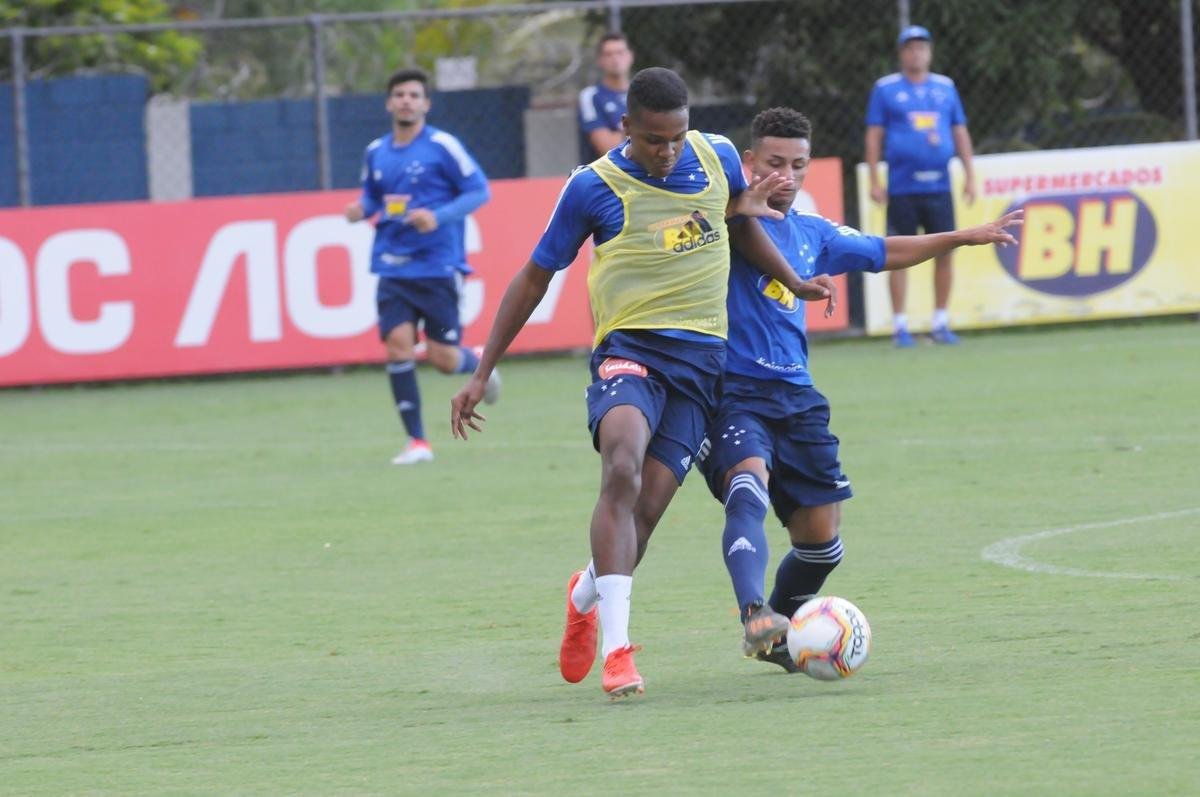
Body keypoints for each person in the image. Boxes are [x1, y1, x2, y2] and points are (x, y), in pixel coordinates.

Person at [450, 68, 836, 698]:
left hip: (699, 367)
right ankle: (619, 654)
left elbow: (740, 224)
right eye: (655, 139)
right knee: (622, 467)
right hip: (628, 353)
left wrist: (793, 281)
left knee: (645, 512)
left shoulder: (713, 157)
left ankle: (584, 594)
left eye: (677, 136)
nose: (668, 151)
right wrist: (483, 369)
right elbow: (533, 277)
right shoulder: (591, 188)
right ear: (626, 127)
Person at [700, 107, 1020, 669]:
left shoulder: (813, 234)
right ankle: (754, 610)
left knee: (821, 540)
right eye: (774, 163)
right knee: (746, 485)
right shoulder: (719, 225)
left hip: (797, 397)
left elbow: (882, 251)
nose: (787, 176)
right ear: (748, 162)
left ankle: (774, 635)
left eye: (798, 165)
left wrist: (960, 237)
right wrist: (736, 207)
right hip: (733, 391)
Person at [344, 68, 500, 466]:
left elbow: (479, 190)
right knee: (397, 346)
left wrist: (440, 216)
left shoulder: (443, 146)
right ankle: (417, 443)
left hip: (436, 266)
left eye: (414, 95)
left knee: (443, 359)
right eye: (399, 94)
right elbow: (373, 197)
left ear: (426, 103)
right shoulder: (376, 150)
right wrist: (361, 209)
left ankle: (477, 362)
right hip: (393, 267)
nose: (406, 101)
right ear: (389, 102)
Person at [865, 24, 979, 347]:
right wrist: (875, 179)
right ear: (902, 53)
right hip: (901, 187)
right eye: (910, 47)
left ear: (929, 52)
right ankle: (899, 324)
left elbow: (959, 130)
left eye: (921, 47)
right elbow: (874, 135)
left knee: (946, 251)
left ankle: (940, 320)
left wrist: (970, 174)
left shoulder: (945, 87)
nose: (916, 53)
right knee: (898, 253)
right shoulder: (886, 89)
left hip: (939, 186)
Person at [578, 32, 633, 161]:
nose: (615, 59)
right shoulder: (591, 96)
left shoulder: (643, 93)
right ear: (600, 60)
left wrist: (625, 131)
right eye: (609, 54)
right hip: (604, 176)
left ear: (630, 56)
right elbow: (608, 148)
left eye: (620, 52)